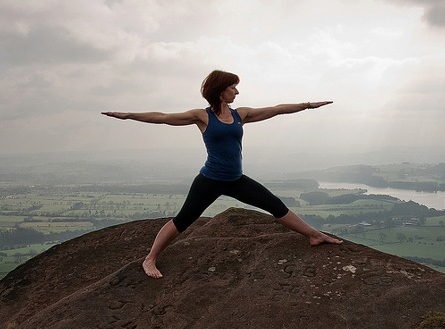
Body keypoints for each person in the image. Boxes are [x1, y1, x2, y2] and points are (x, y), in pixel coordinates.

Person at [102, 70, 342, 278]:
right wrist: (128, 115)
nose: (237, 92)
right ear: (220, 91)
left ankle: (314, 235)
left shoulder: (241, 115)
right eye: (233, 87)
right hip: (209, 181)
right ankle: (150, 258)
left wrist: (308, 105)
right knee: (183, 219)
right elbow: (163, 118)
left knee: (276, 205)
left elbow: (277, 110)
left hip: (236, 180)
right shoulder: (202, 116)